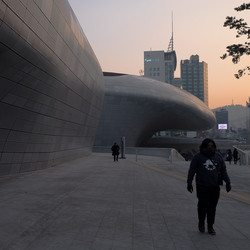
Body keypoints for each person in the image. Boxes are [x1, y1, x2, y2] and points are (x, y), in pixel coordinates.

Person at [187, 138, 231, 235]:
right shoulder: (198, 157)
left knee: (212, 207)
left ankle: (210, 226)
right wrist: (189, 182)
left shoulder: (218, 157)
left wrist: (228, 182)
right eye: (208, 146)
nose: (210, 148)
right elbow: (192, 170)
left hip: (214, 186)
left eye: (211, 146)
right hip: (202, 186)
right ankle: (201, 221)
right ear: (203, 146)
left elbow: (223, 170)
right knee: (203, 204)